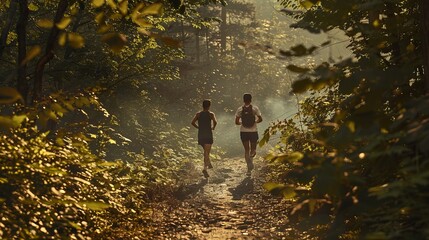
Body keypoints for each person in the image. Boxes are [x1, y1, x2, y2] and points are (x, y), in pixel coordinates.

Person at [235, 93, 262, 175]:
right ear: (251, 99)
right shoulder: (255, 108)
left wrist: (241, 123)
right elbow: (260, 119)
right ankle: (251, 159)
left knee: (246, 150)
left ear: (243, 100)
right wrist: (255, 122)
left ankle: (248, 170)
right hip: (253, 131)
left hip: (243, 132)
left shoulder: (240, 109)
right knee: (253, 150)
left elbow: (236, 122)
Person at [191, 99, 217, 178]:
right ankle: (205, 168)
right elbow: (215, 122)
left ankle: (208, 163)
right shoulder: (211, 114)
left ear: (202, 105)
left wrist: (198, 127)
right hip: (208, 134)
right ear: (209, 106)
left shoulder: (198, 114)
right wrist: (213, 128)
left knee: (205, 151)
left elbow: (192, 122)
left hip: (201, 134)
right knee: (207, 152)